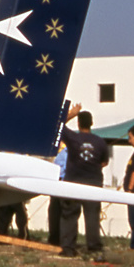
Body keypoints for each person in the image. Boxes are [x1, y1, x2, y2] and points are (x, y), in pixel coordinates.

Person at [58, 103, 109, 258]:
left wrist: (72, 113)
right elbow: (104, 162)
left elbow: (57, 124)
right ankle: (93, 247)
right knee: (92, 215)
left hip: (73, 181)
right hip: (93, 182)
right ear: (92, 123)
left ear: (78, 123)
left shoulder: (73, 137)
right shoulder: (100, 142)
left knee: (69, 215)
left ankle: (68, 248)